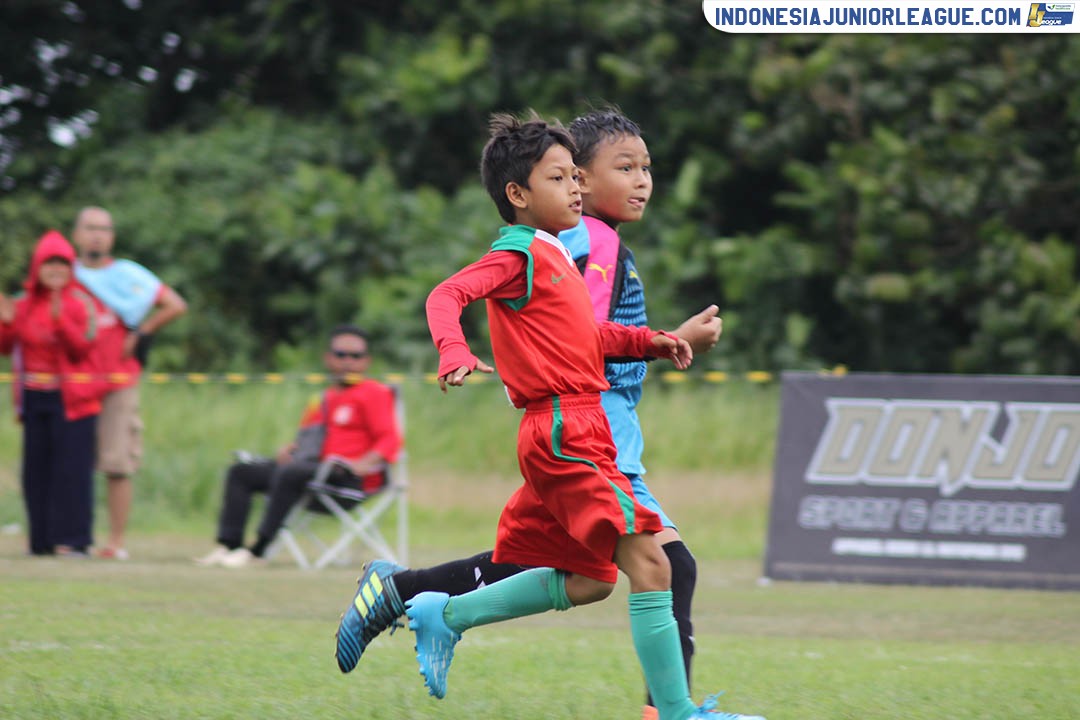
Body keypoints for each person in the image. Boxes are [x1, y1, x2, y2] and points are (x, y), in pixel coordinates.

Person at [342, 111, 754, 720]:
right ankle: (674, 713)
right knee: (656, 564)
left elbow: (585, 331)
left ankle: (431, 607)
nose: (579, 189)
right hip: (570, 427)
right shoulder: (548, 248)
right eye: (565, 178)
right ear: (522, 193)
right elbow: (447, 295)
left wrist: (657, 339)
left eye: (576, 179)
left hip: (577, 425)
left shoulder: (556, 249)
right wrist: (454, 349)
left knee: (590, 580)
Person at [195, 324, 403, 569]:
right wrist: (291, 450)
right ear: (328, 358)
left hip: (347, 478)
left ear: (366, 361)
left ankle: (259, 549)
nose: (348, 362)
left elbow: (390, 440)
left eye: (355, 356)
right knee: (242, 471)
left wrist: (362, 464)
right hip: (310, 472)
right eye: (340, 355)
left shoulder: (374, 393)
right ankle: (230, 546)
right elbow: (309, 439)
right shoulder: (324, 398)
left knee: (291, 473)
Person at [72, 206, 188, 560]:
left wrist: (142, 330)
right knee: (71, 462)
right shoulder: (66, 274)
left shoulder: (125, 275)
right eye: (90, 228)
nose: (97, 235)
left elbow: (174, 304)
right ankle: (71, 536)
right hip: (72, 381)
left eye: (104, 229)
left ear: (112, 237)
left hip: (118, 380)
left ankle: (115, 542)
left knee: (117, 463)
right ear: (76, 233)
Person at [0, 230, 107, 557]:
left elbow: (83, 349)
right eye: (49, 263)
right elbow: (6, 348)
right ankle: (41, 541)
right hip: (34, 398)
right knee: (36, 471)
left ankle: (75, 540)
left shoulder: (83, 302)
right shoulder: (23, 303)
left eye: (62, 263)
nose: (56, 270)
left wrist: (62, 322)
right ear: (37, 267)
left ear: (70, 267)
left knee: (72, 470)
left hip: (73, 399)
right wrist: (5, 323)